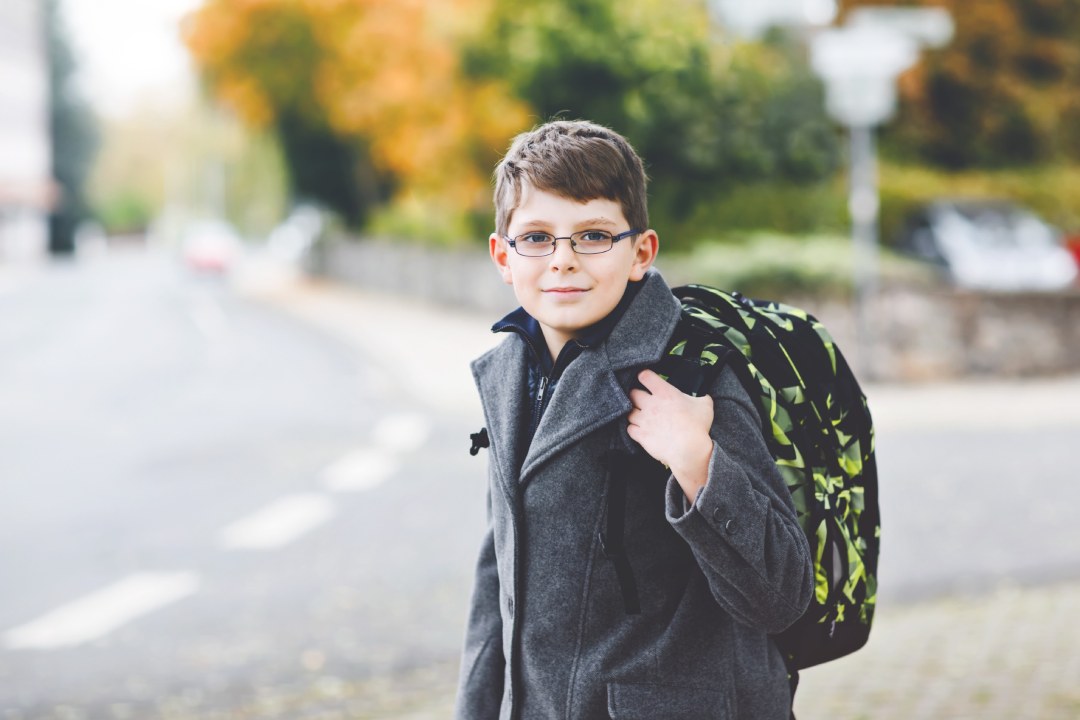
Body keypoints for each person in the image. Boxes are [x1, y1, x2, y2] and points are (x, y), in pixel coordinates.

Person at [455, 119, 813, 720]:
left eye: (593, 235)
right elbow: (500, 579)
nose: (563, 261)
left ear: (641, 252)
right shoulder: (511, 373)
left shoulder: (691, 375)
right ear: (503, 255)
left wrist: (697, 463)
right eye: (537, 237)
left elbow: (781, 596)